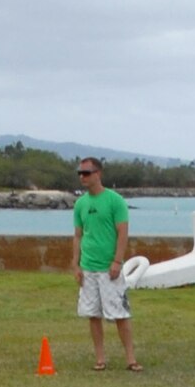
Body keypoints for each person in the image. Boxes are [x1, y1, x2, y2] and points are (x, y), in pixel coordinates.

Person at [72, 158, 141, 371]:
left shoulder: (115, 201)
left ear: (98, 174)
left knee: (119, 313)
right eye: (80, 173)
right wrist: (76, 264)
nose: (83, 177)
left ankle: (131, 359)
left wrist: (117, 261)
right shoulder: (80, 204)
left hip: (109, 267)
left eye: (87, 173)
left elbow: (123, 232)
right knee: (93, 314)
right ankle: (100, 359)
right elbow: (78, 235)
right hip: (88, 266)